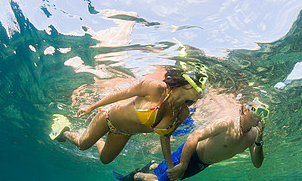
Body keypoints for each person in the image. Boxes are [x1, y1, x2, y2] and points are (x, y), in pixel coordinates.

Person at [50, 66, 209, 166]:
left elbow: (165, 137)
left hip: (124, 133)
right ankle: (64, 131)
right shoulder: (157, 88)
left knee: (105, 160)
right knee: (82, 144)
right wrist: (91, 107)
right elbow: (124, 93)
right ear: (189, 85)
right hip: (108, 118)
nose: (203, 95)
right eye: (202, 89)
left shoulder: (182, 112)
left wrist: (170, 166)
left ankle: (97, 138)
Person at [114, 98, 268, 181]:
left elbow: (257, 164)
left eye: (264, 113)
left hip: (201, 164)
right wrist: (183, 164)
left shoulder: (254, 135)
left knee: (170, 176)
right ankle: (137, 175)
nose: (260, 115)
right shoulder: (227, 123)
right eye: (257, 110)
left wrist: (259, 141)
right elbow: (194, 137)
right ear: (245, 110)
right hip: (190, 155)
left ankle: (153, 165)